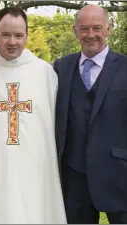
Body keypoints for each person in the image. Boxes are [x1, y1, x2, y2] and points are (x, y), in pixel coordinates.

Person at [0, 7, 67, 224]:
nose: (12, 41)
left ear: (27, 36)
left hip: (33, 167)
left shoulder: (45, 73)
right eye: (6, 35)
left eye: (19, 35)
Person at [54, 4, 127, 224]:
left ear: (109, 29)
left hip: (120, 174)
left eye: (97, 28)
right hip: (74, 177)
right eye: (84, 29)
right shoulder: (60, 68)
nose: (91, 35)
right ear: (75, 31)